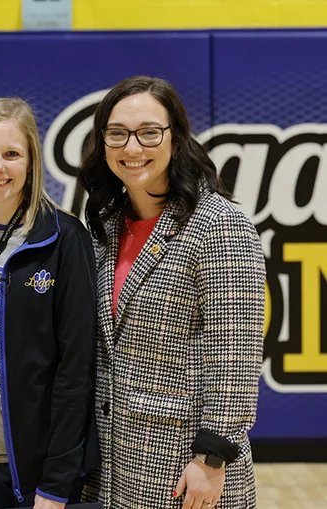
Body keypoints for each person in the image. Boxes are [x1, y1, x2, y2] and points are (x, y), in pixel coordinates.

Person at [78, 76, 266, 509]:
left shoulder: (218, 225)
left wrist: (211, 458)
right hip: (117, 460)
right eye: (117, 134)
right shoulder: (106, 224)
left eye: (149, 132)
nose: (132, 148)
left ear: (176, 139)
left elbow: (235, 353)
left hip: (185, 465)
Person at [0, 97, 97, 509]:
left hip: (34, 464)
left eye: (12, 154)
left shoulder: (64, 239)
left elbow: (75, 370)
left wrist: (58, 480)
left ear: (31, 163)